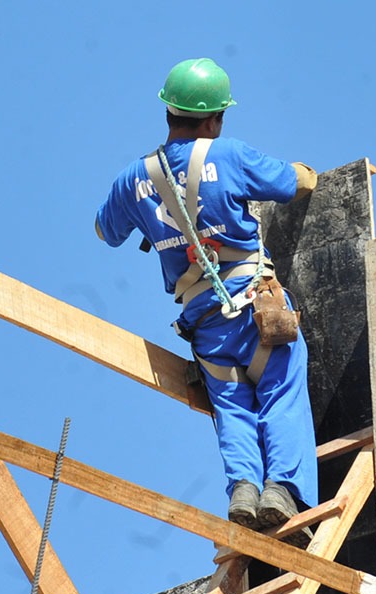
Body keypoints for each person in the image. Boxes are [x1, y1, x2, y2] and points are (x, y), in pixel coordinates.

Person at [94, 58, 319, 541]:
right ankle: (281, 491)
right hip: (256, 307)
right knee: (280, 389)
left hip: (206, 326)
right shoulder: (232, 155)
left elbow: (103, 230)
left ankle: (243, 490)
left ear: (168, 111)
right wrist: (308, 174)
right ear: (216, 118)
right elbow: (291, 182)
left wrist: (151, 216)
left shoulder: (135, 178)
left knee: (233, 405)